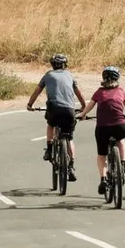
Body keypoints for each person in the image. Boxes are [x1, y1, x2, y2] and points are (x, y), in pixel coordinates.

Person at [26, 53, 85, 181]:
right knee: (69, 138)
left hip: (54, 109)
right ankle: (71, 165)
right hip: (69, 110)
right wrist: (84, 105)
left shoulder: (48, 75)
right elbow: (78, 92)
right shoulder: (69, 75)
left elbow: (37, 91)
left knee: (51, 124)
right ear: (65, 65)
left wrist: (30, 104)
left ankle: (49, 149)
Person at [82, 65, 125, 196]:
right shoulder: (121, 91)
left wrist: (82, 114)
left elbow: (90, 106)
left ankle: (103, 179)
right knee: (120, 139)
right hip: (120, 127)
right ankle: (122, 163)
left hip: (102, 128)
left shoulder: (99, 92)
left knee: (102, 155)